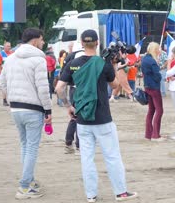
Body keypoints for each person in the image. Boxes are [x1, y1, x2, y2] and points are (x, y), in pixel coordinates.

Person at [55, 30, 137, 202]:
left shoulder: (73, 63)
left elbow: (59, 88)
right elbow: (114, 85)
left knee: (87, 158)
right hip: (103, 118)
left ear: (81, 42)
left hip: (83, 118)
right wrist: (113, 65)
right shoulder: (103, 63)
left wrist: (68, 106)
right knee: (112, 155)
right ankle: (120, 192)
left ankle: (91, 195)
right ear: (97, 43)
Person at [0, 28, 52, 199]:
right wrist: (48, 109)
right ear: (35, 40)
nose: (43, 43)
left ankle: (28, 181)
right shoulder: (38, 60)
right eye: (42, 40)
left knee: (24, 146)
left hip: (15, 108)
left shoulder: (11, 58)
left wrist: (10, 99)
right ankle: (24, 186)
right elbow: (43, 89)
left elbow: (2, 84)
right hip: (33, 109)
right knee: (31, 148)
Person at [141, 42, 164, 141]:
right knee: (159, 110)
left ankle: (148, 134)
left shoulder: (145, 59)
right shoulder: (152, 61)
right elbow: (158, 76)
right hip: (154, 87)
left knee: (151, 110)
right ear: (154, 50)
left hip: (147, 86)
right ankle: (155, 135)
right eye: (158, 49)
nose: (160, 51)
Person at [0, 42, 13, 106]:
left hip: (11, 72)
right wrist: (0, 72)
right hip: (4, 72)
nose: (9, 47)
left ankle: (11, 99)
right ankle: (4, 99)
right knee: (3, 87)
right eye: (7, 46)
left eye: (9, 46)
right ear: (4, 47)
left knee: (11, 86)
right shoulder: (0, 54)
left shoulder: (12, 53)